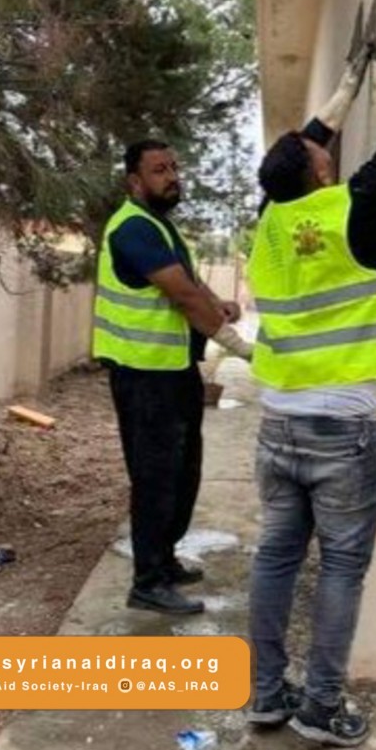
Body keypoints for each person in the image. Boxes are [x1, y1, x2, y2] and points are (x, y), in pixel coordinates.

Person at [245, 0, 376, 745]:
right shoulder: (355, 206)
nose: (330, 151)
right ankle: (321, 706)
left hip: (280, 425)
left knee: (276, 559)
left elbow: (292, 156)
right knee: (342, 568)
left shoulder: (269, 221)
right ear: (321, 174)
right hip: (344, 432)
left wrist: (344, 92)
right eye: (324, 152)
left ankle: (265, 695)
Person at [94, 140, 252, 615]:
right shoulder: (132, 228)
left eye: (174, 167)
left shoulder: (160, 225)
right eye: (159, 170)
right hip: (144, 377)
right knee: (155, 479)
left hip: (173, 371)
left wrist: (218, 302)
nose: (172, 177)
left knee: (183, 474)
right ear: (135, 181)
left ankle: (163, 561)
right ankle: (147, 583)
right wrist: (244, 349)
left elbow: (190, 282)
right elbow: (183, 297)